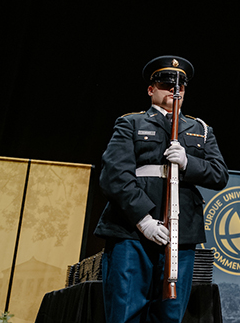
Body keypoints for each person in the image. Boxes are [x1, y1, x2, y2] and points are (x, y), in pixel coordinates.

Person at [94, 55, 229, 323]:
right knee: (125, 311)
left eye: (179, 86)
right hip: (131, 231)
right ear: (151, 89)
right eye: (166, 84)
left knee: (170, 314)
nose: (173, 90)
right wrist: (143, 220)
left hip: (181, 235)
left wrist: (189, 162)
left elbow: (219, 175)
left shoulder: (200, 129)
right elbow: (114, 176)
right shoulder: (131, 123)